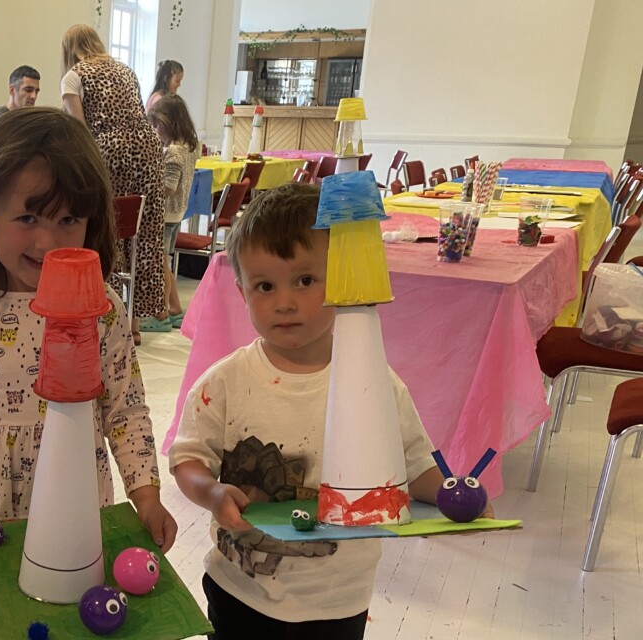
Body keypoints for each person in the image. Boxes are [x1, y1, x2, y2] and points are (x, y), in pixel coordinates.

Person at [169, 183, 491, 640]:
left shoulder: (374, 383)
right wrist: (210, 491)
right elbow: (188, 459)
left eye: (304, 280)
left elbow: (414, 467)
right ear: (241, 291)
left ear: (341, 279)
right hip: (240, 587)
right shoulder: (223, 383)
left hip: (337, 598)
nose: (284, 301)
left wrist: (452, 497)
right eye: (264, 285)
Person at [0, 107, 177, 640]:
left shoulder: (101, 310)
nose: (49, 240)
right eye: (28, 218)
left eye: (68, 220)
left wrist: (145, 491)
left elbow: (125, 408)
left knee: (74, 620)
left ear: (91, 222)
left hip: (76, 505)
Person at [60, 24, 169, 344]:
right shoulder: (126, 70)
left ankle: (109, 318)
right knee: (142, 234)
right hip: (148, 151)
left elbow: (78, 130)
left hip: (108, 153)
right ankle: (134, 324)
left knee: (106, 231)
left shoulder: (74, 75)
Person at [146, 94, 200, 331]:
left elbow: (169, 186)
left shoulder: (174, 152)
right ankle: (175, 309)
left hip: (166, 214)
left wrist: (149, 187)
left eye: (157, 125)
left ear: (169, 122)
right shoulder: (190, 147)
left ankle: (161, 314)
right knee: (165, 263)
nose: (156, 131)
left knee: (160, 264)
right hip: (178, 214)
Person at [0, 65, 41, 140]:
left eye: (36, 91)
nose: (34, 96)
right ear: (12, 90)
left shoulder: (31, 122)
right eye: (28, 90)